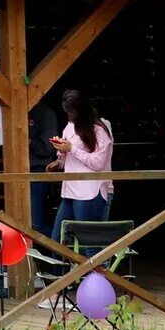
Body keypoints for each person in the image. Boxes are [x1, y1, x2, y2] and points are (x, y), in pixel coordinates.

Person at [47, 89, 114, 245]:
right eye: (67, 111)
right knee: (57, 240)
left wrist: (71, 149)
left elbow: (98, 163)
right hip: (70, 190)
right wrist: (60, 158)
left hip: (90, 190)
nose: (69, 115)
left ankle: (94, 270)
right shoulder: (69, 127)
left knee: (88, 244)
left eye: (71, 112)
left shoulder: (100, 130)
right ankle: (64, 270)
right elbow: (70, 156)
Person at [28, 100, 60, 237]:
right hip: (17, 174)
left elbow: (48, 148)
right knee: (18, 224)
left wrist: (27, 141)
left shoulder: (46, 113)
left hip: (37, 172)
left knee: (36, 225)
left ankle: (59, 252)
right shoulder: (16, 109)